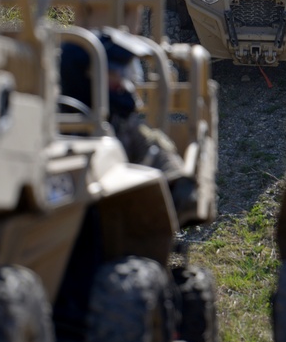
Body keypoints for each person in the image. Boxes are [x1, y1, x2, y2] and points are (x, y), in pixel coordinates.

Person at [60, 28, 198, 223]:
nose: (123, 82)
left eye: (124, 72)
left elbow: (158, 156)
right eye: (114, 73)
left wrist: (178, 184)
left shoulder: (122, 122)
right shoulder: (57, 124)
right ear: (86, 76)